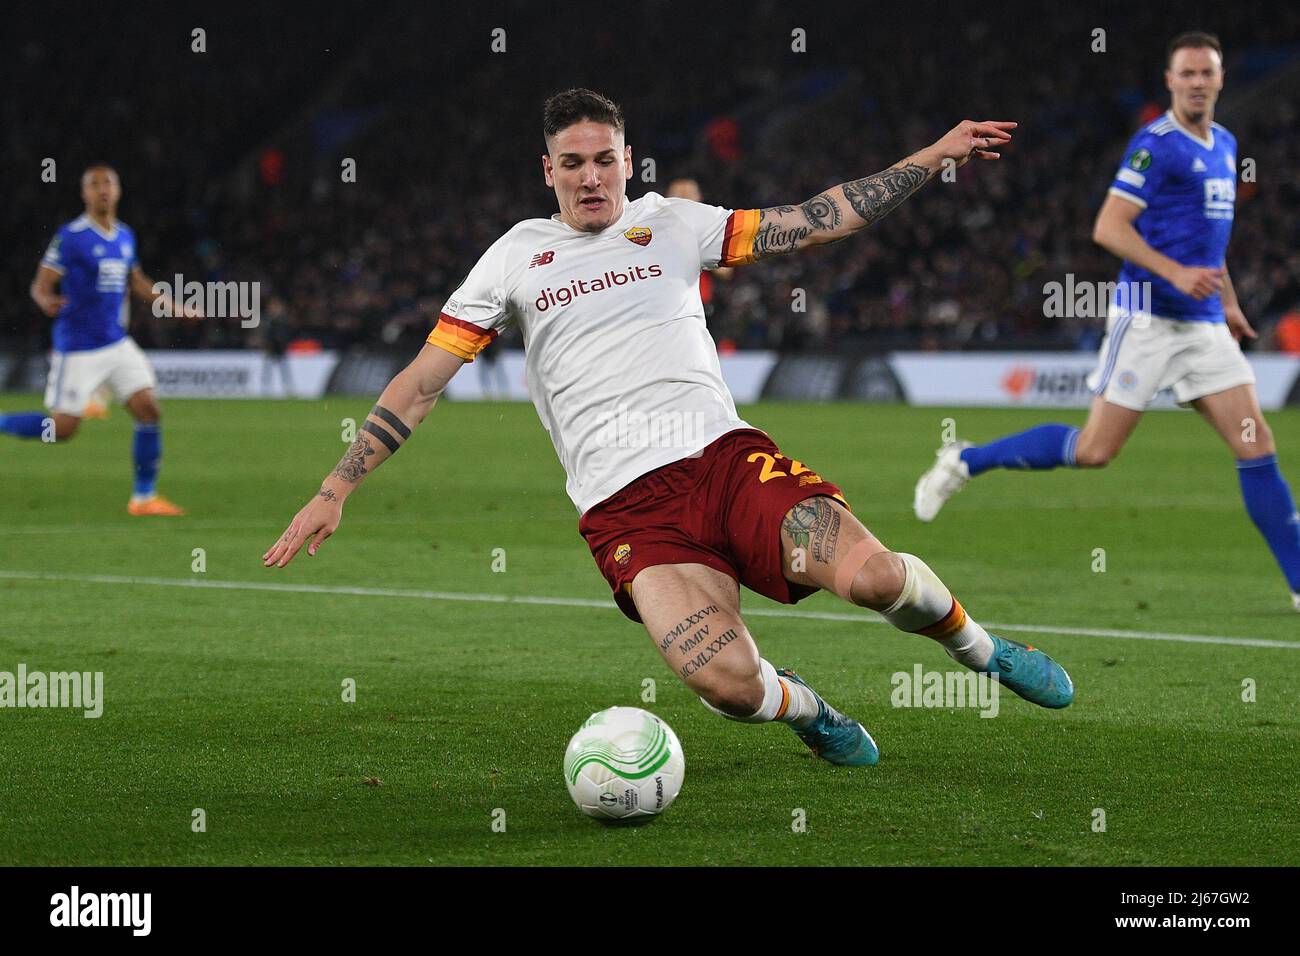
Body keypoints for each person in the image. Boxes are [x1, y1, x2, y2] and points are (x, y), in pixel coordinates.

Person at [265, 89, 1072, 767]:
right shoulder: (513, 258)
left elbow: (818, 219)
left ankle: (983, 652)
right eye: (572, 163)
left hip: (724, 463)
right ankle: (808, 710)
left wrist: (932, 155)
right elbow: (419, 385)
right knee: (730, 686)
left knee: (876, 580)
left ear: (627, 161)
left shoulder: (677, 223)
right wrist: (336, 488)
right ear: (548, 171)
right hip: (628, 514)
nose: (591, 177)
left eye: (605, 159)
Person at [914, 32, 1300, 611]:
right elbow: (1110, 228)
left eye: (1207, 73)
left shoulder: (1224, 143)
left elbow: (1210, 238)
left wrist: (1228, 302)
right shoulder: (1155, 146)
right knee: (1096, 451)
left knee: (1255, 444)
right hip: (1146, 320)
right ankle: (965, 460)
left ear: (1221, 80)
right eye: (1187, 74)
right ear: (1170, 81)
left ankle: (1297, 582)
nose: (1197, 82)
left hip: (1202, 326)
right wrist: (1173, 273)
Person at [2, 164, 197, 515]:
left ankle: (143, 497)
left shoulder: (125, 236)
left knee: (149, 409)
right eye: (94, 185)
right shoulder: (71, 236)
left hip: (116, 343)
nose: (102, 189)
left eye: (108, 183)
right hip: (77, 348)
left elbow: (137, 282)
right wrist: (45, 300)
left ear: (118, 191)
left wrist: (172, 306)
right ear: (85, 194)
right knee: (62, 429)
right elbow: (40, 284)